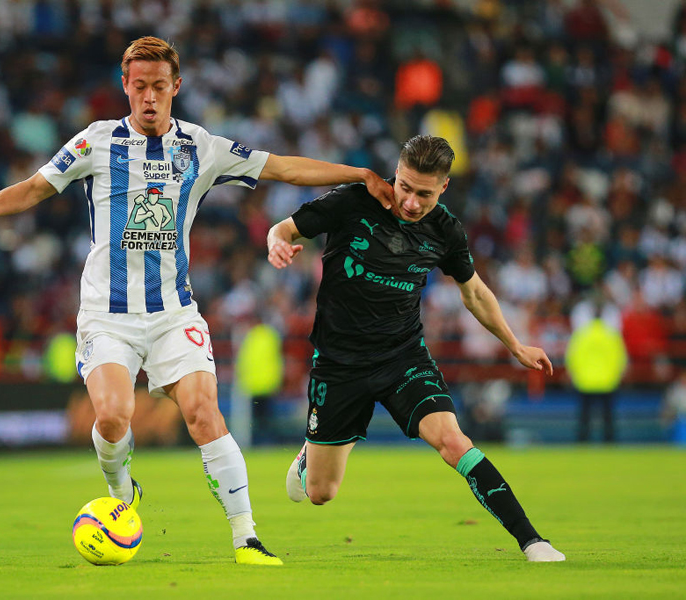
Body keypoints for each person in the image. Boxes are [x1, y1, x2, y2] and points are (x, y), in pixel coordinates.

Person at [0, 36, 392, 566]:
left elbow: (281, 167)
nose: (149, 97)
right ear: (125, 87)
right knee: (112, 417)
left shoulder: (199, 147)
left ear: (176, 87)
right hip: (107, 314)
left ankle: (246, 538)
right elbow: (38, 187)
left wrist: (358, 175)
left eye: (159, 86)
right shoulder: (95, 142)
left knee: (204, 413)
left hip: (173, 312)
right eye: (139, 87)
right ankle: (123, 493)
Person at [267, 135, 566, 562]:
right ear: (397, 171)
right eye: (405, 187)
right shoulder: (354, 201)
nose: (409, 202)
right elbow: (284, 228)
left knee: (452, 441)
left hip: (402, 357)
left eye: (423, 193)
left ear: (443, 187)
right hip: (340, 364)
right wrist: (275, 242)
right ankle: (310, 455)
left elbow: (475, 293)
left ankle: (533, 541)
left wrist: (515, 344)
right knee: (320, 493)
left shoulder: (445, 230)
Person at [565, 315, 628, 443]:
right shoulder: (612, 335)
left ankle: (583, 443)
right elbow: (621, 358)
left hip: (585, 381)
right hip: (608, 381)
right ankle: (609, 444)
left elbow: (571, 356)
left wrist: (575, 374)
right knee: (608, 417)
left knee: (584, 417)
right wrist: (617, 375)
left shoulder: (581, 335)